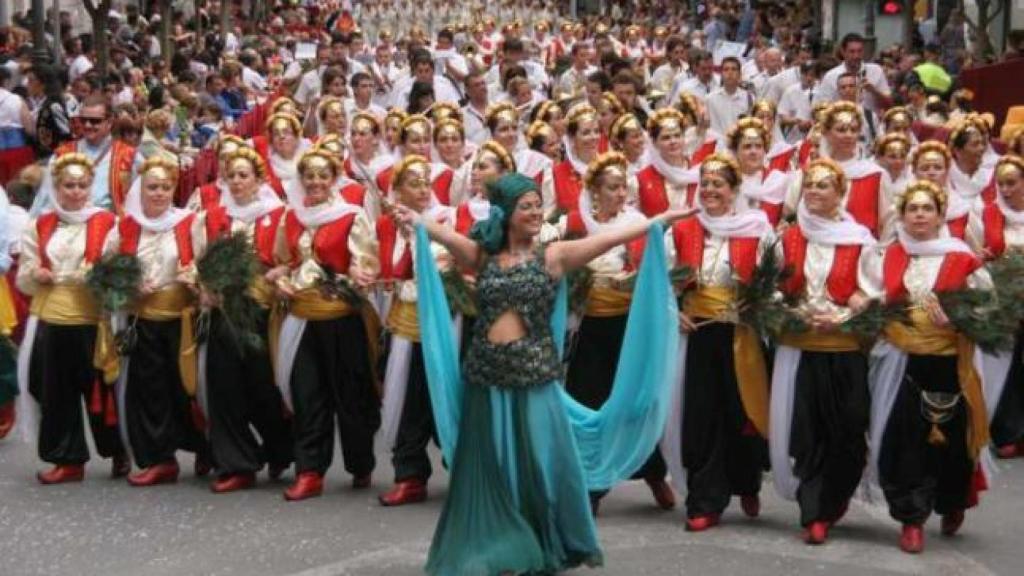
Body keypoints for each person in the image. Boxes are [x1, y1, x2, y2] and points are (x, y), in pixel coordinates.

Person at [391, 169, 689, 574]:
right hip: (486, 377)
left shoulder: (553, 256)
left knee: (538, 465)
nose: (534, 213)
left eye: (537, 206)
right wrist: (413, 219)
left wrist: (653, 224)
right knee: (490, 466)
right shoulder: (484, 257)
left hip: (533, 377)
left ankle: (539, 540)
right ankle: (498, 544)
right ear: (507, 213)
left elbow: (607, 239)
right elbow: (443, 235)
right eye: (525, 207)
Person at [865, 180, 992, 554]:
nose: (919, 215)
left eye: (927, 208)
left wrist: (954, 322)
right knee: (904, 441)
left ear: (940, 216)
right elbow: (872, 298)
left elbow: (987, 313)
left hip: (950, 364)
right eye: (912, 209)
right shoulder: (887, 255)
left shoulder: (962, 258)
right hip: (901, 361)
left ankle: (952, 503)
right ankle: (911, 518)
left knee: (952, 443)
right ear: (901, 215)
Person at [662, 153, 774, 532]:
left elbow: (774, 280)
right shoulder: (682, 229)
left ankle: (745, 482)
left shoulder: (756, 229)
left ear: (734, 190)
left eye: (718, 184)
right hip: (697, 334)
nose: (709, 190)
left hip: (740, 334)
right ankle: (704, 500)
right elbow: (656, 280)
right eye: (705, 183)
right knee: (702, 415)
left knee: (741, 414)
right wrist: (670, 308)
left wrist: (758, 301)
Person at [769, 158, 876, 545]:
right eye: (809, 184)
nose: (813, 191)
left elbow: (871, 290)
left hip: (844, 346)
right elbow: (774, 287)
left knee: (848, 426)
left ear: (840, 193)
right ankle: (814, 511)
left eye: (823, 185)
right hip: (800, 346)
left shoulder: (859, 238)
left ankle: (836, 496)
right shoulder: (789, 237)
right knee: (806, 429)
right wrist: (786, 308)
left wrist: (851, 311)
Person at [561, 151, 676, 514]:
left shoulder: (637, 222)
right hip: (589, 328)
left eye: (623, 188)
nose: (620, 195)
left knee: (634, 402)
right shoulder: (576, 222)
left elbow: (655, 269)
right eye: (612, 188)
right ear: (595, 190)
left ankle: (653, 471)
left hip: (627, 328)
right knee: (587, 402)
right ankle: (590, 486)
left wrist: (634, 281)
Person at [271, 149, 381, 501]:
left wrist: (358, 275)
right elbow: (284, 261)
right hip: (302, 318)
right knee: (307, 394)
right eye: (310, 176)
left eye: (323, 175)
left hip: (340, 317)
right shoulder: (291, 217)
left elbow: (366, 262)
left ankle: (359, 462)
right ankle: (309, 470)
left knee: (350, 395)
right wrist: (280, 278)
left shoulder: (351, 216)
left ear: (334, 179)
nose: (316, 182)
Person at [15, 154, 127, 482]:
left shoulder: (107, 223)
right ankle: (67, 458)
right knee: (55, 391)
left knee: (100, 389)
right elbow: (24, 274)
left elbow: (116, 267)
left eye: (82, 185)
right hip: (50, 317)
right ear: (56, 187)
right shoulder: (40, 225)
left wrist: (97, 275)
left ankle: (116, 449)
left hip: (92, 318)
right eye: (68, 185)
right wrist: (36, 273)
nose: (75, 192)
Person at [191, 148, 293, 493]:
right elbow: (199, 261)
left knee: (263, 387)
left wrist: (280, 273)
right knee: (225, 386)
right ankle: (237, 463)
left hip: (263, 310)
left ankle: (281, 447)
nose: (236, 182)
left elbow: (291, 258)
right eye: (230, 175)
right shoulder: (212, 217)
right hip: (225, 310)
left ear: (259, 179)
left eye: (243, 175)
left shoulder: (278, 214)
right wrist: (204, 287)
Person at [106, 157, 209, 486]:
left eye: (166, 187)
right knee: (150, 391)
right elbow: (107, 267)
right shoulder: (125, 226)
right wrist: (130, 282)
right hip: (143, 320)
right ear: (140, 188)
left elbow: (203, 262)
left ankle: (206, 448)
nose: (160, 193)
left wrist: (189, 276)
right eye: (153, 187)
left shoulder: (189, 222)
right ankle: (160, 459)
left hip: (182, 320)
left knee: (189, 389)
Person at [376, 154, 455, 506]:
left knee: (446, 392)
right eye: (413, 183)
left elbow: (453, 262)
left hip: (442, 322)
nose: (423, 189)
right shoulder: (385, 225)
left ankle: (464, 467)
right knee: (407, 396)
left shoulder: (448, 219)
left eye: (426, 181)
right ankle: (409, 474)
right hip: (405, 321)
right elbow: (379, 266)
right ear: (397, 190)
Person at [966, 155, 1024, 458]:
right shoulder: (988, 212)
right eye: (1001, 184)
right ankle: (1008, 432)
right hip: (1004, 301)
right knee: (1007, 365)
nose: (1006, 189)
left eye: (1012, 183)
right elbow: (978, 253)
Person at [728, 117, 790, 226]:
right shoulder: (727, 181)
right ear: (735, 151)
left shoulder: (778, 181)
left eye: (758, 146)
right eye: (747, 147)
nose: (753, 151)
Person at [636, 108, 698, 216]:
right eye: (666, 138)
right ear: (654, 143)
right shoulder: (641, 179)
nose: (673, 141)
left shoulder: (699, 173)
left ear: (684, 138)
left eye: (677, 136)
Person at [552, 103, 602, 215]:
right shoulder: (557, 173)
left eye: (596, 131)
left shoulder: (609, 166)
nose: (594, 137)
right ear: (572, 138)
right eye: (586, 133)